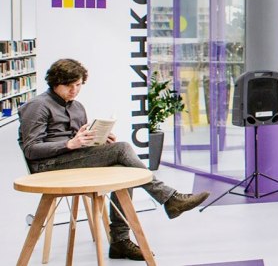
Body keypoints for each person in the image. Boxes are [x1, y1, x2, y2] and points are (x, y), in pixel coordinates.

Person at [18, 59, 210, 261]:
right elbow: (31, 149)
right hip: (47, 167)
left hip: (70, 161)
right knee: (123, 148)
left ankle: (120, 240)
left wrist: (98, 141)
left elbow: (79, 144)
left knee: (125, 169)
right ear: (55, 83)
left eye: (78, 85)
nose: (74, 90)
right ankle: (171, 198)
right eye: (68, 86)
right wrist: (69, 144)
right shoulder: (37, 106)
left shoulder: (77, 107)